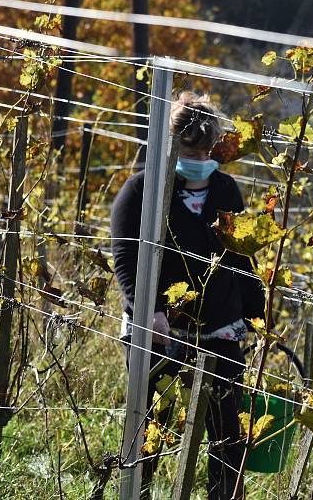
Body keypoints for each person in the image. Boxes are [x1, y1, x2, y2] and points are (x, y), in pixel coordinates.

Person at [111, 92, 265, 500]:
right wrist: (150, 311)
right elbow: (126, 255)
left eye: (205, 147)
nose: (198, 154)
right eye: (190, 146)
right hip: (158, 328)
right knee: (150, 426)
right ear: (172, 143)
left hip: (219, 328)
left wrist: (256, 312)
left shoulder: (227, 189)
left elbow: (240, 256)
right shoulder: (143, 188)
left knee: (227, 434)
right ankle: (137, 493)